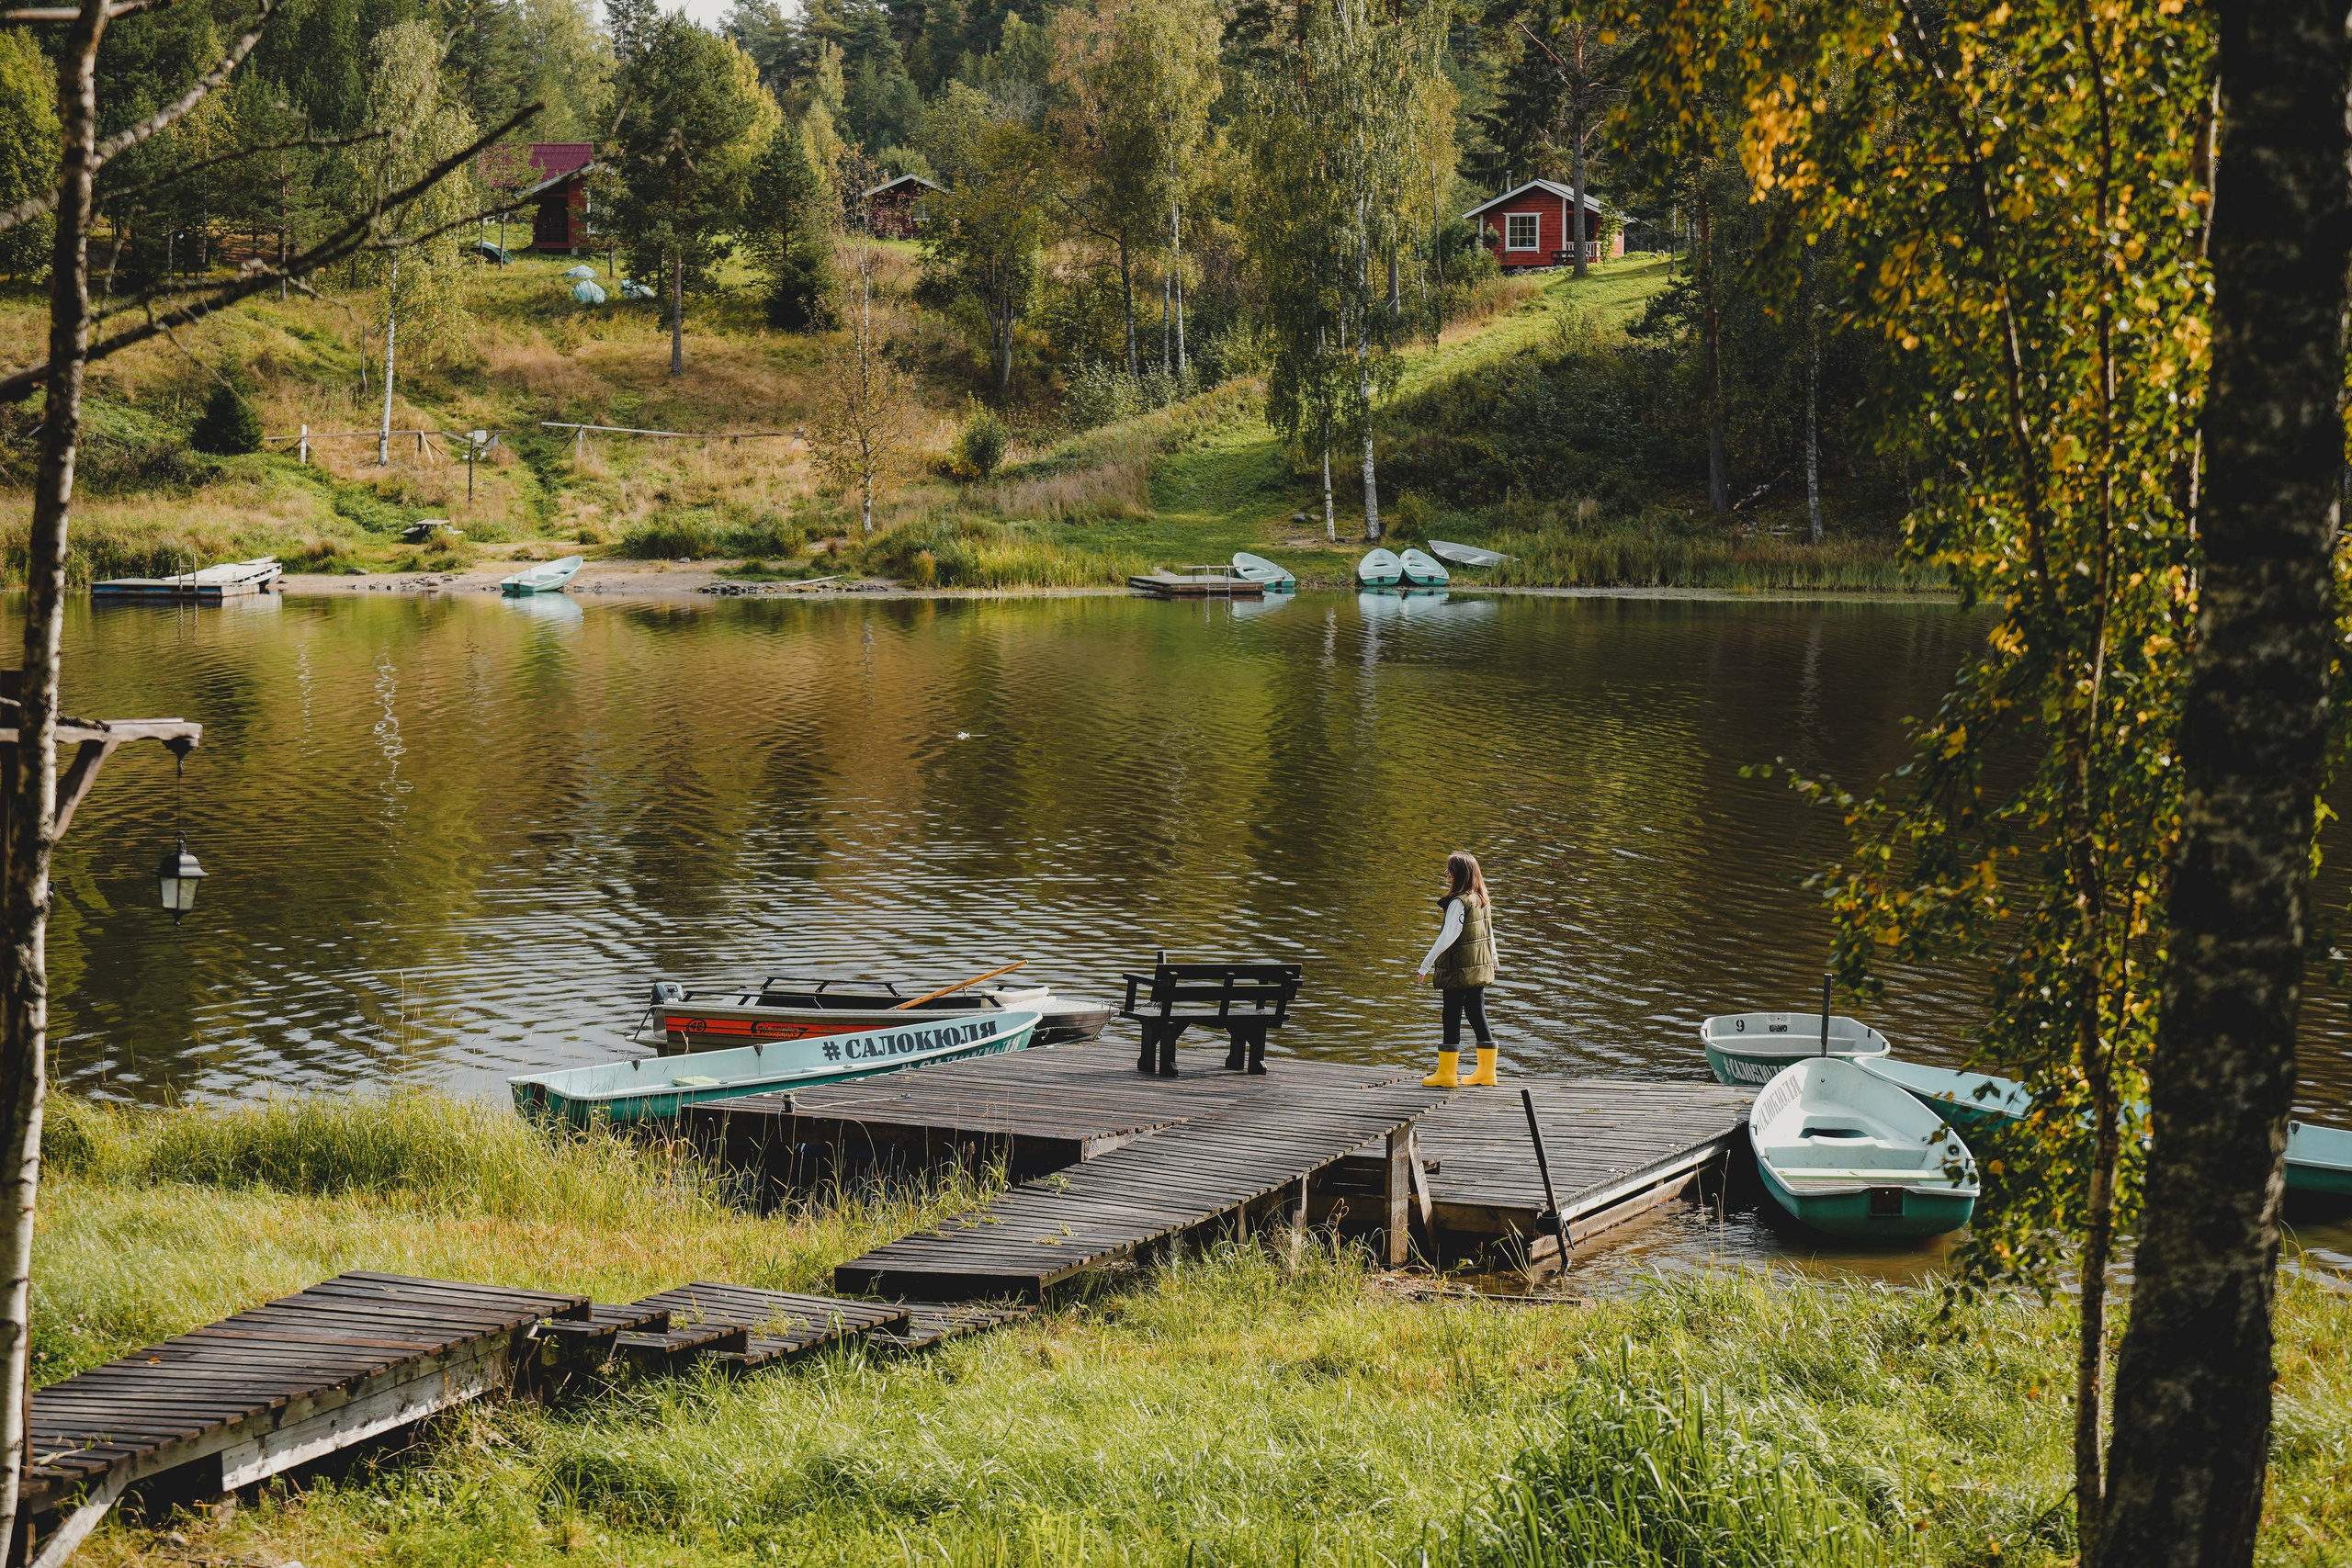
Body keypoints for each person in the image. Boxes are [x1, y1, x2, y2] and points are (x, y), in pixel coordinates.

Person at [1414, 852, 1499, 1088]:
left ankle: (1447, 1075)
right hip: (1478, 970)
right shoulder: (1482, 898)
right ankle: (1486, 1073)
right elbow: (1489, 933)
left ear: (1459, 873)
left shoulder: (1459, 902)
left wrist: (1425, 965)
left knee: (1450, 1017)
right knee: (1476, 1014)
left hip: (1458, 971)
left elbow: (1447, 937)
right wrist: (1493, 958)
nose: (1446, 873)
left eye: (1449, 869)